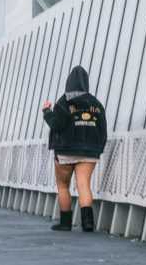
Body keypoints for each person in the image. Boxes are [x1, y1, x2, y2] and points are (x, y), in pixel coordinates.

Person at [44, 66, 108, 232]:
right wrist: (98, 148)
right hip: (89, 152)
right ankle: (88, 223)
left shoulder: (64, 102)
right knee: (83, 184)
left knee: (63, 186)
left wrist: (46, 112)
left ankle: (65, 223)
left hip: (66, 150)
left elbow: (56, 125)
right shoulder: (96, 104)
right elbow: (103, 130)